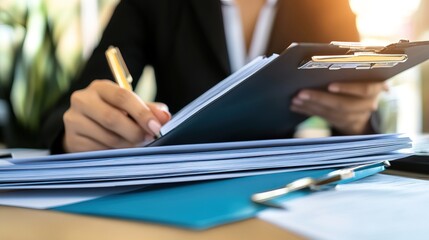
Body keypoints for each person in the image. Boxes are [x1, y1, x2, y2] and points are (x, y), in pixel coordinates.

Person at [41, 0, 387, 153]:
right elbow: (67, 113)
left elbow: (359, 104)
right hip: (179, 187)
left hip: (290, 189)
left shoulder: (329, 5)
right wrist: (77, 137)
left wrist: (357, 120)